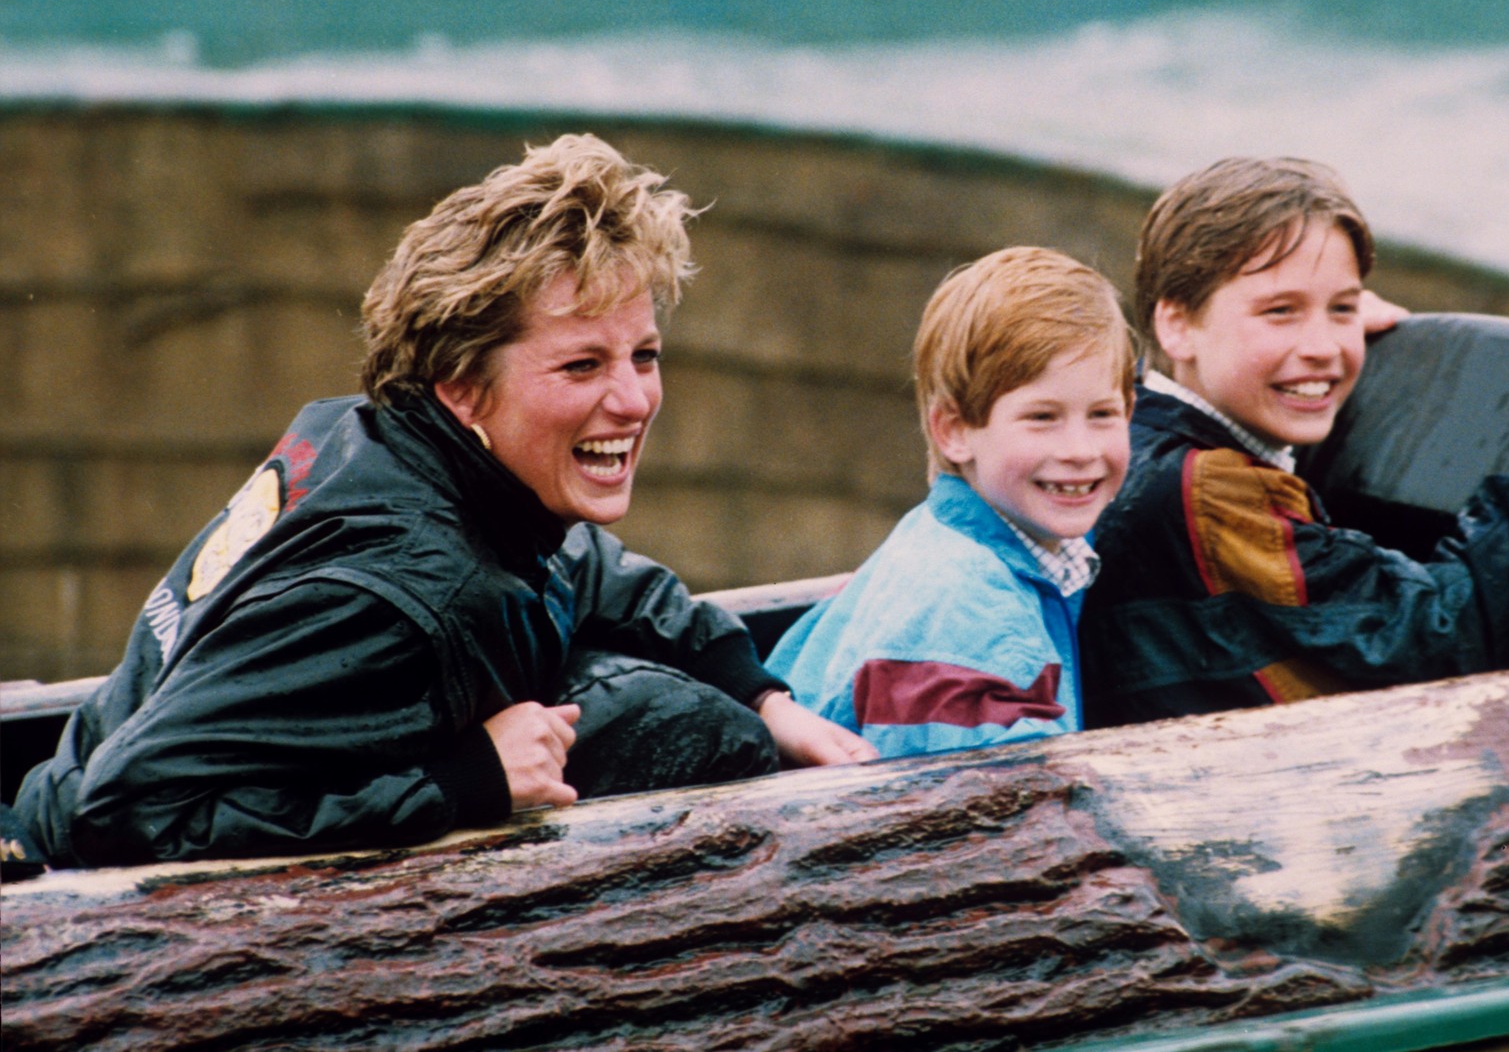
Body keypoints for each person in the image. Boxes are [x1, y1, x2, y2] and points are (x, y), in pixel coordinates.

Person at [10, 134, 875, 870]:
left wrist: (762, 693)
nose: (635, 398)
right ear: (463, 387)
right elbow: (119, 815)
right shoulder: (394, 597)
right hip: (73, 899)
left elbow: (583, 567)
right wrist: (464, 786)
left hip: (75, 788)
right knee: (678, 725)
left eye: (643, 356)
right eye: (582, 365)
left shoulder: (381, 441)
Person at [1079, 156, 1509, 727]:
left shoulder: (1130, 431)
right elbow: (1444, 638)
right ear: (1178, 324)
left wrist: (1298, 331)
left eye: (1342, 308)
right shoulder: (1209, 490)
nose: (1325, 347)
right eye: (1280, 310)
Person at [766, 247, 1134, 757]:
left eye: (1102, 414)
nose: (1079, 450)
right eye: (1042, 417)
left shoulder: (957, 540)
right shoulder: (970, 622)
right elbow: (1016, 816)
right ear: (955, 431)